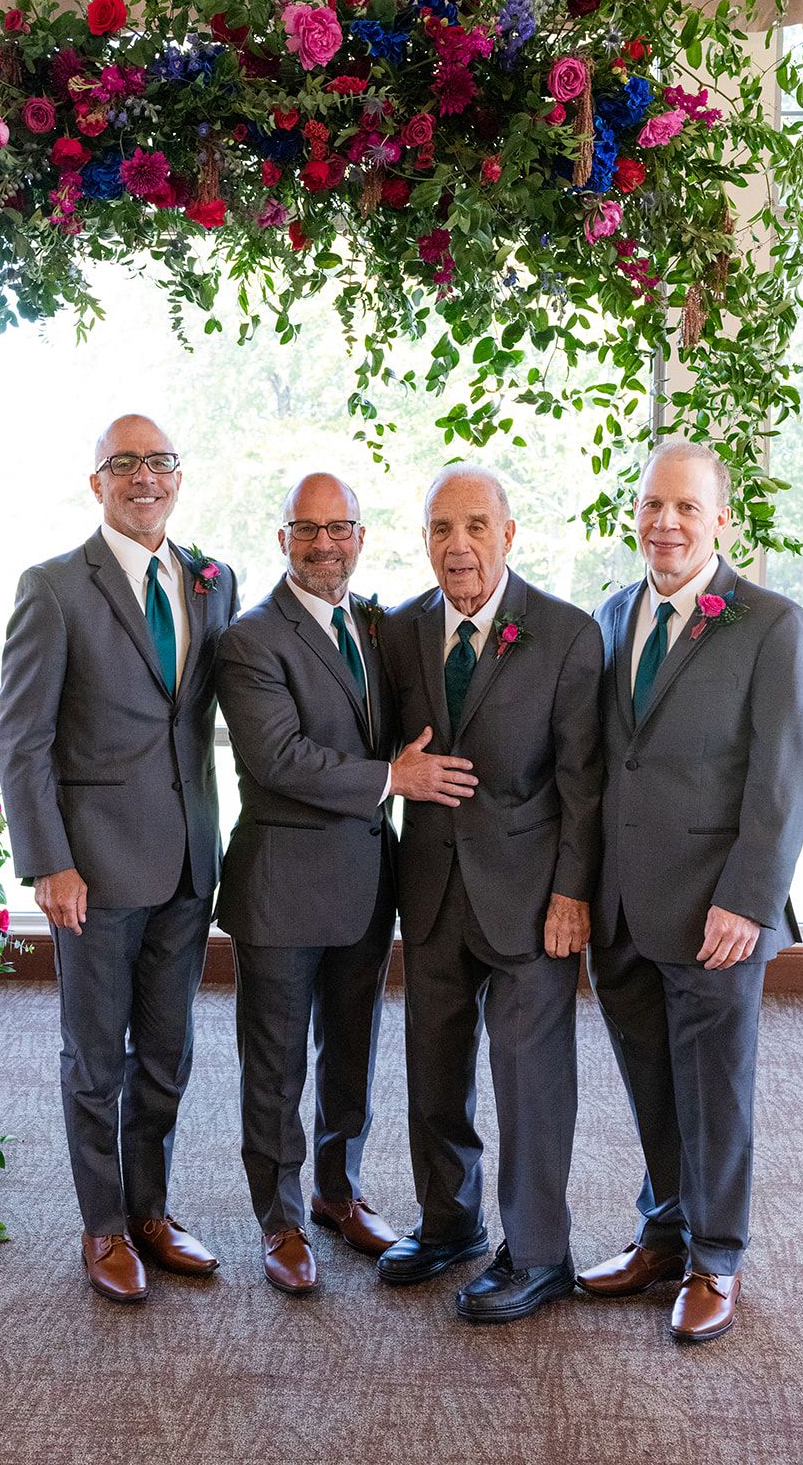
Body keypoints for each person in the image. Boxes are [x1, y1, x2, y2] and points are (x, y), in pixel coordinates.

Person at [577, 440, 803, 1341]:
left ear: (721, 518)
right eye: (650, 506)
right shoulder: (609, 615)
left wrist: (748, 900)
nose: (664, 523)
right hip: (623, 909)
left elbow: (782, 777)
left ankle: (717, 1258)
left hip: (717, 911)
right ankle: (665, 1232)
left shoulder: (769, 623)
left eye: (685, 507)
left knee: (714, 1088)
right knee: (650, 1082)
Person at [0, 413, 238, 1304]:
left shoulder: (214, 582)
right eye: (125, 464)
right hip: (90, 872)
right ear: (96, 481)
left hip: (186, 864)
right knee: (95, 1058)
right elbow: (22, 741)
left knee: (167, 1053)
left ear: (179, 475)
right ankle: (102, 1228)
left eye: (161, 462)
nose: (146, 478)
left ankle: (151, 1211)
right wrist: (47, 862)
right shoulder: (55, 588)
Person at [215, 472, 474, 1295]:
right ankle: (280, 1219)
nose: (325, 543)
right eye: (307, 529)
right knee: (276, 1062)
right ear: (282, 538)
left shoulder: (376, 623)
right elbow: (277, 759)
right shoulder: (251, 639)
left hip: (368, 885)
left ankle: (337, 1192)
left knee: (350, 1055)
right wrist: (391, 779)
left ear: (362, 536)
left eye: (340, 528)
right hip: (282, 889)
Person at [377, 465, 603, 1323]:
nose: (457, 545)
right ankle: (448, 1224)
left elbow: (584, 785)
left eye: (475, 525)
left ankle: (540, 1254)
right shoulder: (399, 632)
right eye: (440, 528)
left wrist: (571, 894)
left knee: (529, 1083)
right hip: (430, 890)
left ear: (509, 534)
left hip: (531, 898)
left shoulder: (566, 634)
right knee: (433, 1075)